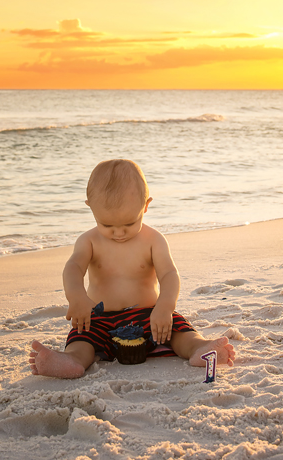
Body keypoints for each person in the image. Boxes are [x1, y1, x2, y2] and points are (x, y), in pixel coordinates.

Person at [29, 159, 236, 378]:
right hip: (100, 320)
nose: (119, 233)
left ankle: (199, 349)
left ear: (146, 205)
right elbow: (73, 268)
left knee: (178, 330)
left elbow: (169, 274)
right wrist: (76, 296)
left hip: (150, 317)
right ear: (90, 206)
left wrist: (164, 307)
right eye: (107, 225)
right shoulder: (88, 241)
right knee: (83, 339)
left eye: (129, 224)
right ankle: (71, 360)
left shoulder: (153, 240)